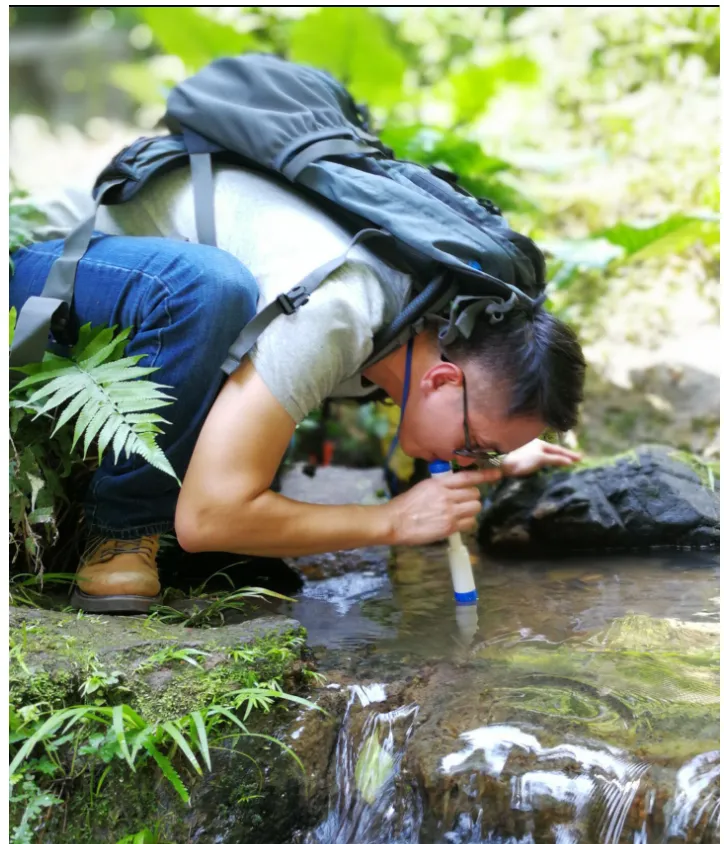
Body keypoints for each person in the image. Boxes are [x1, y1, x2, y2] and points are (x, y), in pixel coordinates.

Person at [11, 161, 586, 613]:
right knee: (211, 289)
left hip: (128, 278)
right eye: (474, 446)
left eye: (483, 454)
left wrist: (497, 443)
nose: (469, 460)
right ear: (441, 378)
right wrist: (391, 521)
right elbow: (207, 518)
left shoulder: (425, 318)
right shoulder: (336, 311)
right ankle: (122, 531)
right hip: (54, 265)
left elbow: (442, 409)